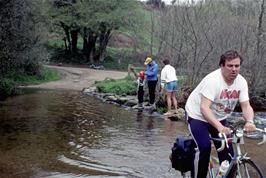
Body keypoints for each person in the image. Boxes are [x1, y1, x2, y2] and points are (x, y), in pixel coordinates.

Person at [185, 50, 256, 178]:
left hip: (220, 116)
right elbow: (204, 108)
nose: (234, 69)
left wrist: (250, 121)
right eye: (230, 66)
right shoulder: (213, 80)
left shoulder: (241, 82)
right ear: (222, 66)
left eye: (237, 66)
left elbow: (246, 106)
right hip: (198, 116)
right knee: (205, 147)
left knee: (228, 153)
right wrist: (219, 127)